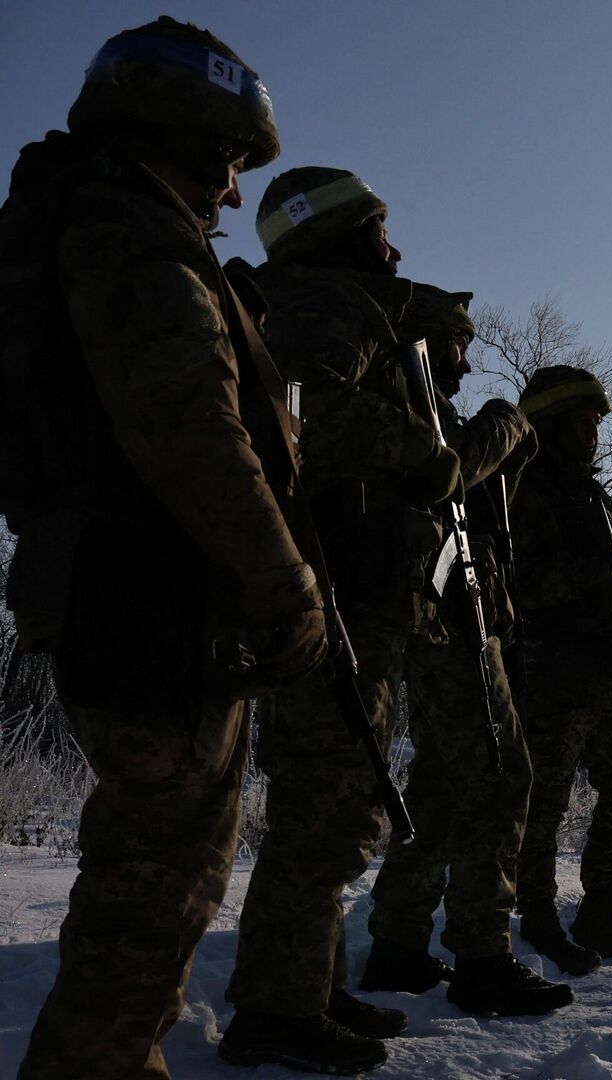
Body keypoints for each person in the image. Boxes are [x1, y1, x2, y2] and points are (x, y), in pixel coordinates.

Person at [1, 19, 324, 1078]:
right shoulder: (132, 232)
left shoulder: (86, 223)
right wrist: (285, 583)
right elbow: (193, 431)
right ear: (180, 137)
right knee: (150, 904)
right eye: (225, 163)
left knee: (154, 895)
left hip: (131, 596)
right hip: (148, 604)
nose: (230, 194)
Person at [222, 164, 458, 1071]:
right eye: (380, 229)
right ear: (344, 233)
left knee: (337, 806)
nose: (393, 250)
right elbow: (309, 411)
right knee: (324, 813)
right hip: (337, 589)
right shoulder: (326, 301)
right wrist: (423, 451)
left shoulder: (329, 303)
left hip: (354, 590)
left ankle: (310, 988)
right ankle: (273, 1011)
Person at [358, 287, 570, 1015]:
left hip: (445, 615)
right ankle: (482, 952)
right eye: (457, 344)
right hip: (445, 619)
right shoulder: (407, 403)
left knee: (443, 789)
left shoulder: (409, 404)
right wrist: (504, 423)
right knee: (502, 774)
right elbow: (449, 466)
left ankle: (398, 943)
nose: (465, 361)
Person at [510, 365, 612, 972]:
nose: (594, 433)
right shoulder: (520, 488)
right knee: (542, 803)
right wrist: (586, 583)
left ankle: (600, 909)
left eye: (597, 422)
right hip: (555, 672)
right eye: (583, 421)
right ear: (551, 423)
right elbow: (514, 578)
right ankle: (537, 917)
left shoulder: (603, 503)